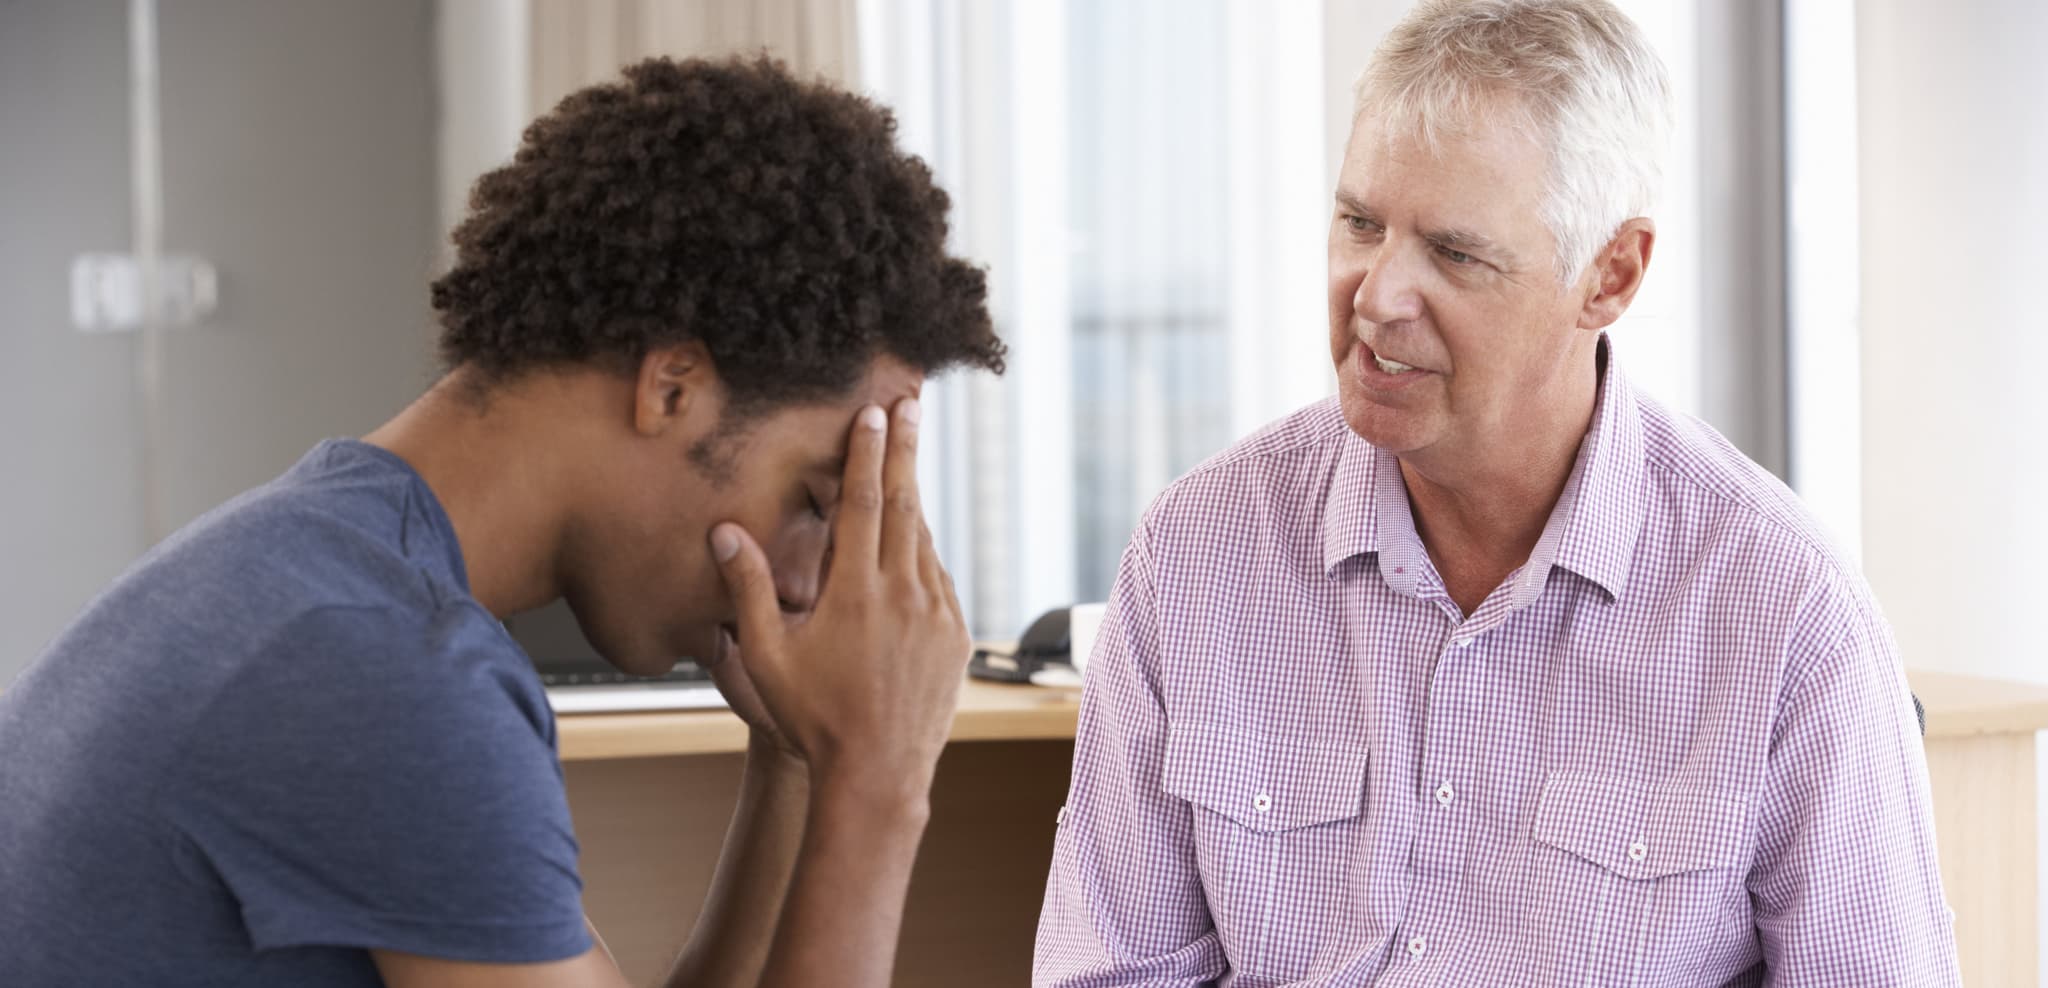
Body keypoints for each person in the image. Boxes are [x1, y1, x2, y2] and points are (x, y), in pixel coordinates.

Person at [0, 55, 1005, 988]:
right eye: (815, 499)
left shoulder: (323, 568)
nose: (807, 582)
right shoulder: (380, 668)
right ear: (673, 387)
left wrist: (798, 761)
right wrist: (877, 784)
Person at [1033, 1, 1959, 984]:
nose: (1375, 295)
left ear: (1608, 275)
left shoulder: (1786, 616)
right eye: (1358, 223)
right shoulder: (1196, 552)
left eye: (1454, 253)